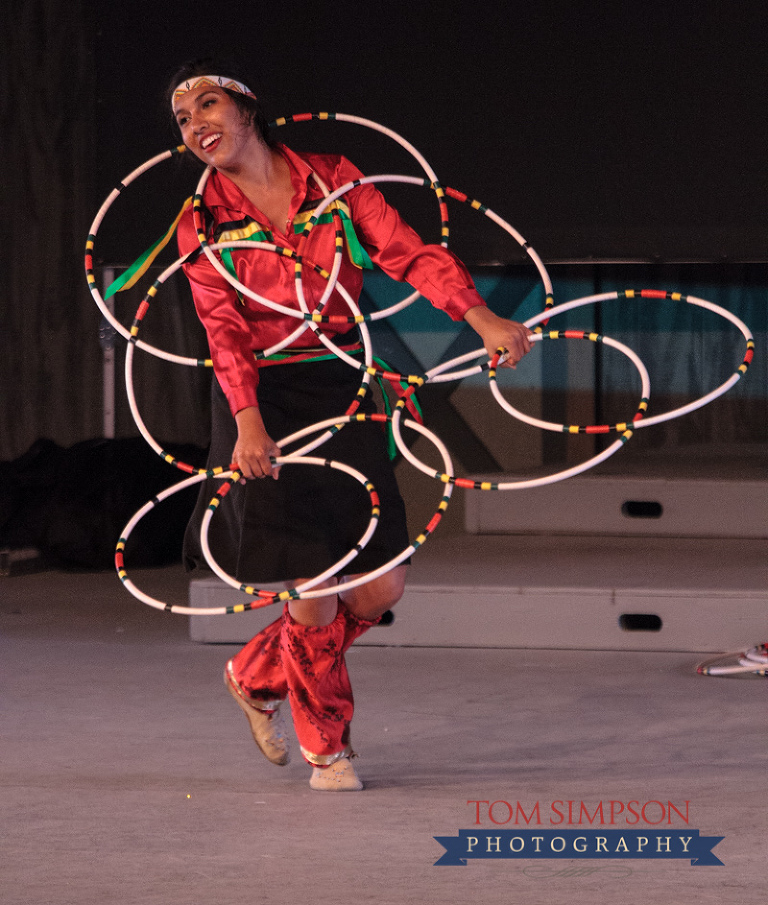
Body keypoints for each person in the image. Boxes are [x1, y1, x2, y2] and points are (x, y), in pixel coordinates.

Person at [170, 58, 532, 791]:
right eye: (181, 119)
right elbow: (223, 330)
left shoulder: (334, 179)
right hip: (263, 398)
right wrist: (247, 423)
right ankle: (327, 749)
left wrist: (480, 317)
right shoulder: (199, 222)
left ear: (246, 107)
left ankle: (255, 672)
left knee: (379, 588)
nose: (195, 124)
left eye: (207, 104)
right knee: (315, 578)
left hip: (342, 375)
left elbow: (408, 254)